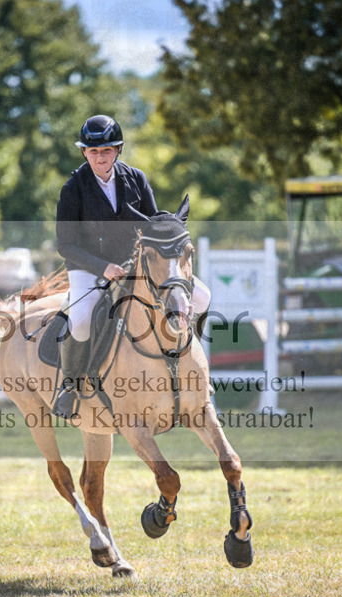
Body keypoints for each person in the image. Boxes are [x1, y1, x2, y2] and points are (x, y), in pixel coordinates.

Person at [52, 114, 210, 419]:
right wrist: (103, 267)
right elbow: (65, 245)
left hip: (138, 264)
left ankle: (192, 368)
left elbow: (153, 227)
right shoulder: (73, 189)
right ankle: (70, 386)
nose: (100, 157)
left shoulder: (136, 178)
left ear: (118, 149)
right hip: (88, 266)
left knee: (201, 297)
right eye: (93, 151)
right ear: (84, 152)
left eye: (107, 150)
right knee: (83, 317)